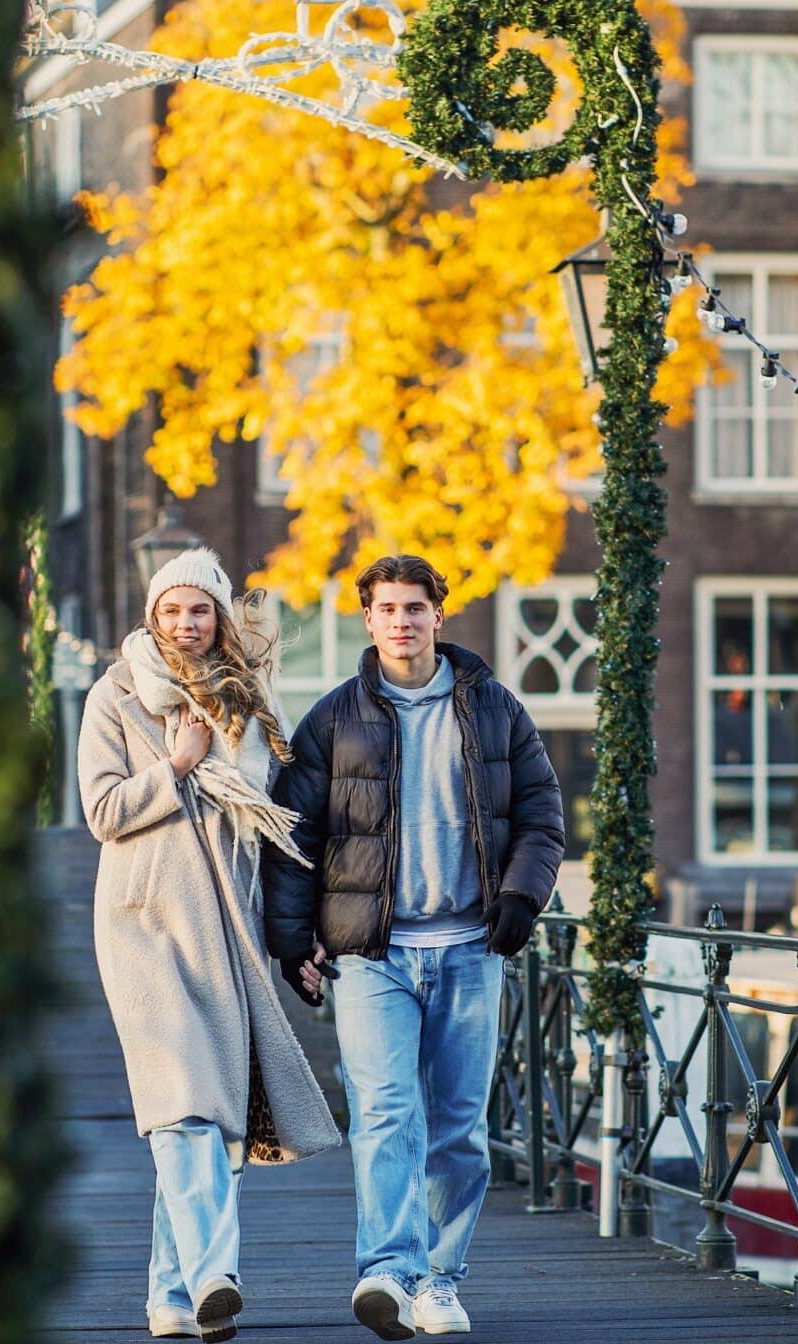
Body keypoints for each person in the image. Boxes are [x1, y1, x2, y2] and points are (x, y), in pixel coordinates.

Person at [264, 554, 564, 1339]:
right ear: (368, 619)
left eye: (415, 608)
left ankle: (439, 1279)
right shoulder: (332, 720)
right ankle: (388, 1271)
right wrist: (292, 940)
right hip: (373, 954)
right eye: (387, 609)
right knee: (386, 1114)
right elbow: (292, 836)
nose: (402, 621)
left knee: (460, 1126)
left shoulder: (495, 709)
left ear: (439, 614)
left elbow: (542, 813)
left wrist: (521, 897)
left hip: (470, 948)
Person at [79, 547, 342, 1342]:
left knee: (211, 1114)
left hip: (229, 925)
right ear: (152, 616)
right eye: (171, 610)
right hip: (146, 922)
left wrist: (296, 932)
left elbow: (277, 819)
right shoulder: (116, 693)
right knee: (183, 1105)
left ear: (219, 616)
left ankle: (172, 1296)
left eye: (199, 609)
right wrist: (178, 766)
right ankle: (213, 1274)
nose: (185, 623)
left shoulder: (250, 697)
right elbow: (103, 811)